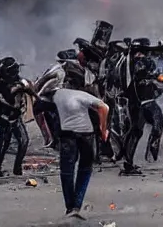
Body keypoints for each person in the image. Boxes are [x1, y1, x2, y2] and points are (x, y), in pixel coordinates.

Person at [52, 63, 110, 219]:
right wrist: (103, 129)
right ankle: (76, 206)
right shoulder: (82, 95)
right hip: (86, 134)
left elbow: (40, 107)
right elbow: (104, 108)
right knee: (85, 169)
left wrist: (49, 135)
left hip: (67, 135)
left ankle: (70, 207)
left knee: (67, 171)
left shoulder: (57, 95)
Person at [0, 57, 35, 177]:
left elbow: (30, 91)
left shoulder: (20, 82)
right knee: (2, 145)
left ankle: (17, 168)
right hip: (2, 119)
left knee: (24, 141)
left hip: (15, 117)